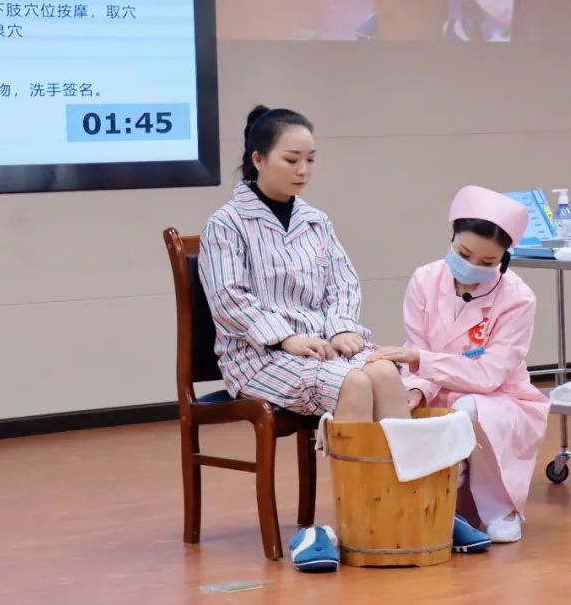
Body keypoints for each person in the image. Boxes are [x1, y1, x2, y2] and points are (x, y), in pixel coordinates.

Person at [198, 106, 490, 572]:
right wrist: (286, 339)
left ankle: (410, 511)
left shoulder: (316, 221)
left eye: (311, 160)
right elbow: (228, 299)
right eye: (291, 159)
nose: (303, 170)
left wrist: (341, 328)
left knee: (384, 373)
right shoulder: (226, 224)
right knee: (354, 384)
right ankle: (356, 526)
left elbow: (344, 284)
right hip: (257, 356)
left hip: (324, 348)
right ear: (258, 159)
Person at [369, 185, 550, 544]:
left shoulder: (518, 299)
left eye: (487, 262)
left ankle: (500, 509)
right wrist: (416, 389)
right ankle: (441, 502)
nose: (471, 267)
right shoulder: (424, 280)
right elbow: (417, 348)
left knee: (469, 409)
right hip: (437, 389)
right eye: (463, 253)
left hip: (501, 398)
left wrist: (421, 361)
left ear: (504, 259)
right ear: (451, 237)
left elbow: (489, 375)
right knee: (401, 409)